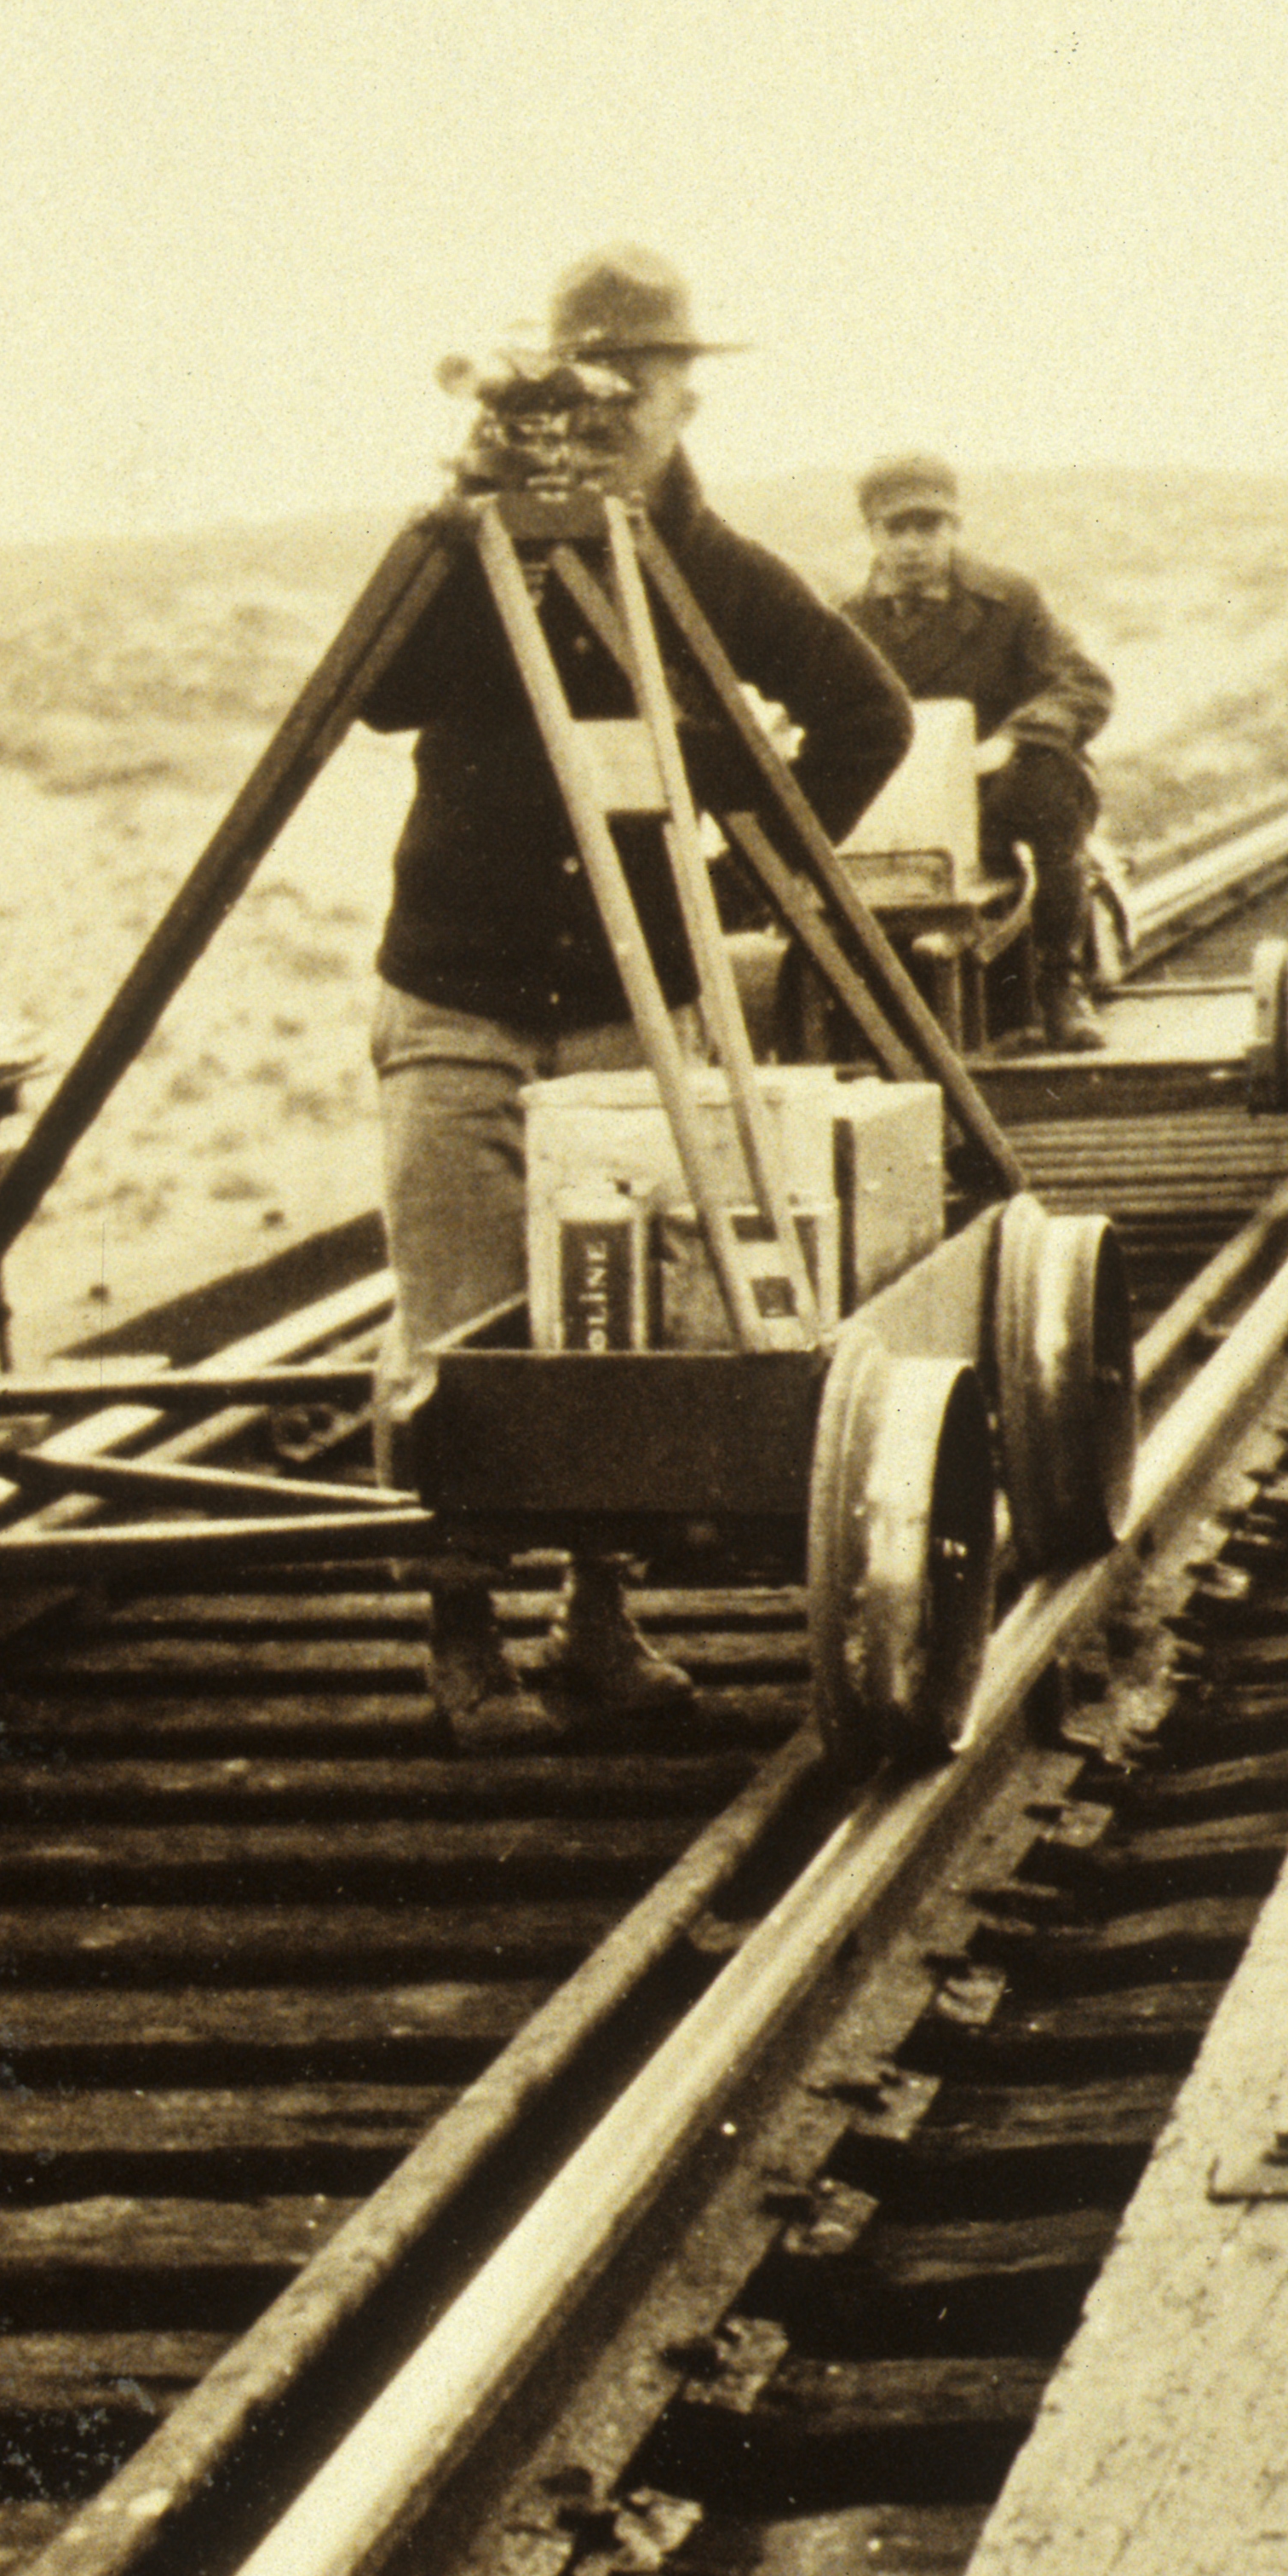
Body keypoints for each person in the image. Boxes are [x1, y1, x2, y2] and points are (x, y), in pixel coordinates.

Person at [360, 247, 911, 1744]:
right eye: (580, 394)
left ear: (679, 401)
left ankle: (596, 1622)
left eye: (638, 392)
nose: (605, 424)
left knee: (618, 1331)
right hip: (459, 995)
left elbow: (867, 714)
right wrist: (455, 520)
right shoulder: (471, 546)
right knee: (459, 1338)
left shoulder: (712, 572)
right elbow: (379, 692)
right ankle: (461, 1640)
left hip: (627, 1003)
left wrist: (734, 863)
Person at [843, 454, 1116, 1052]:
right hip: (897, 804)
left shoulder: (1008, 600)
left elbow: (1084, 685)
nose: (914, 545)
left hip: (998, 790)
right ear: (872, 534)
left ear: (954, 528)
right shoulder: (848, 619)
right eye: (897, 529)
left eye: (929, 527)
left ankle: (1060, 985)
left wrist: (1011, 741)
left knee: (1048, 784)